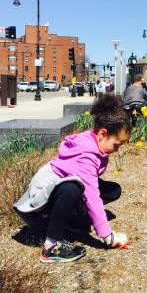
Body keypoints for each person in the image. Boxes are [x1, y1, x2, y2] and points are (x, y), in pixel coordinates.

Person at [14, 95, 132, 263]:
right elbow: (91, 196)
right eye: (116, 144)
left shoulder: (91, 140)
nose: (117, 150)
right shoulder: (85, 156)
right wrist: (107, 236)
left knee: (112, 190)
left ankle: (70, 220)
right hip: (36, 206)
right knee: (73, 189)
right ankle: (51, 246)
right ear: (102, 134)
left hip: (51, 193)